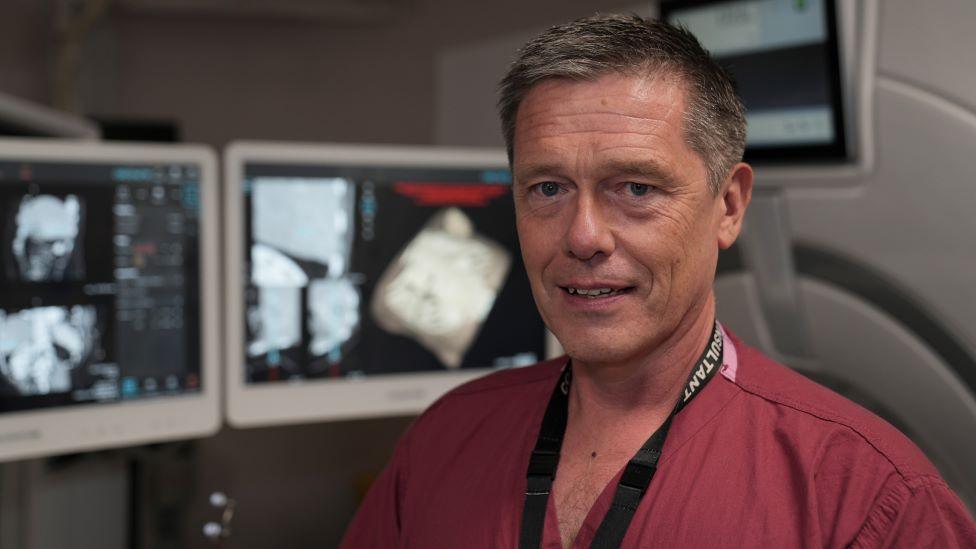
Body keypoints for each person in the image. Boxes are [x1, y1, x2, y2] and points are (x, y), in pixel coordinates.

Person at [341, 14, 976, 548]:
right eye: (548, 188)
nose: (583, 235)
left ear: (728, 206)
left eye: (636, 188)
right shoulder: (445, 439)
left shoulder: (866, 496)